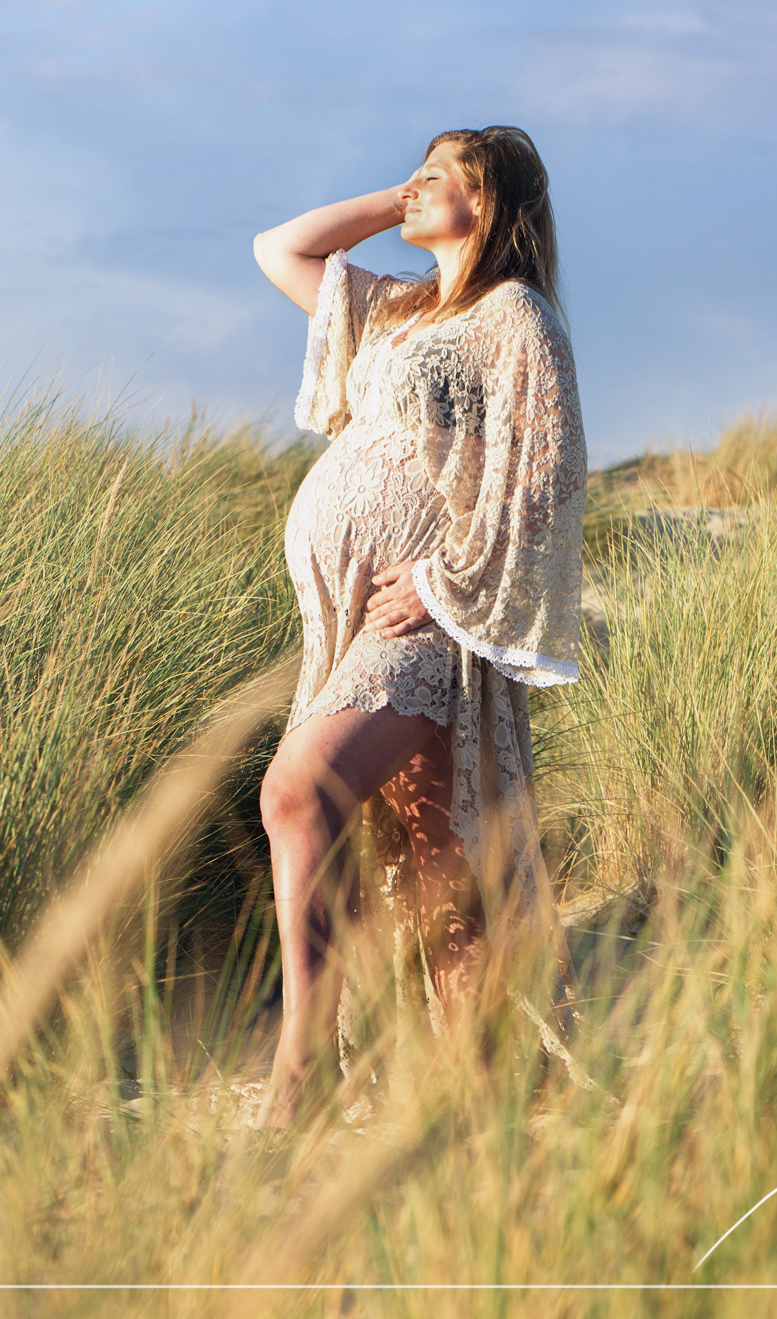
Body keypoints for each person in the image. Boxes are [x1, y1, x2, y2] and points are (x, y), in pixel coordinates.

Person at [250, 125, 586, 1123]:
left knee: (297, 790)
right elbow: (282, 248)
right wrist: (399, 191)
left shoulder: (512, 317)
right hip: (349, 613)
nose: (421, 186)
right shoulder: (392, 307)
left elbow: (548, 474)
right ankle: (488, 1086)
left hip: (432, 616)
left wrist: (444, 584)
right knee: (445, 863)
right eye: (421, 170)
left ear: (492, 203)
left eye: (447, 175)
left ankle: (301, 1072)